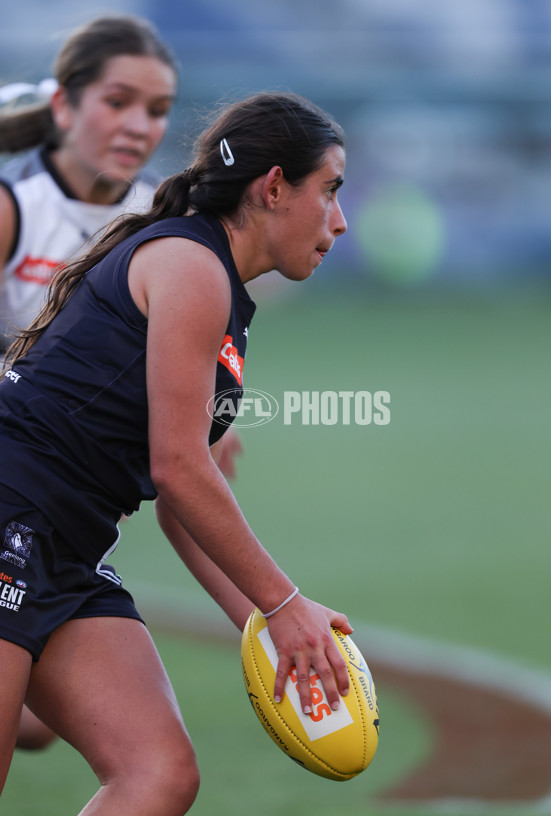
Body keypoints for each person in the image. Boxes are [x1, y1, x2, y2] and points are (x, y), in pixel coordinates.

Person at [0, 89, 350, 813]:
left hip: (65, 551)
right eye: (330, 191)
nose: (340, 222)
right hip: (9, 518)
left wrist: (270, 631)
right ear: (275, 187)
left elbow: (189, 504)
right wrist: (285, 604)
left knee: (158, 773)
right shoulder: (192, 267)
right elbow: (179, 470)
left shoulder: (222, 302)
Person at [0, 13, 180, 753]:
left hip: (65, 505)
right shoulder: (16, 210)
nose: (139, 125)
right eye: (118, 101)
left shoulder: (159, 228)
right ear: (65, 107)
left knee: (40, 727)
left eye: (158, 110)